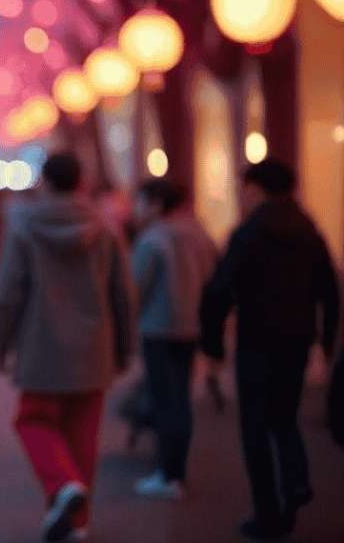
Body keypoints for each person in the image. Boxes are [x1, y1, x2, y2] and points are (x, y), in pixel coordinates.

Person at [0, 152, 134, 543]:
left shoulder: (23, 226)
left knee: (32, 420)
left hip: (41, 346)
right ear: (80, 182)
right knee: (82, 436)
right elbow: (122, 293)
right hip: (94, 348)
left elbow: (8, 293)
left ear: (46, 182)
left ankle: (63, 485)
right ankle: (78, 521)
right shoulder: (105, 228)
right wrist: (125, 347)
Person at [199, 160, 339, 540]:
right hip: (297, 338)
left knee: (255, 428)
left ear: (257, 189)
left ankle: (267, 515)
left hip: (256, 341)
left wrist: (211, 341)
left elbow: (219, 289)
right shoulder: (310, 230)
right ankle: (295, 480)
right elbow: (329, 288)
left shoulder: (249, 232)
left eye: (245, 188)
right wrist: (326, 342)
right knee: (284, 416)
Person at [128, 179, 217, 500]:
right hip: (191, 328)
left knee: (165, 400)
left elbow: (135, 289)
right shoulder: (199, 235)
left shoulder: (152, 239)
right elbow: (212, 279)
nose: (137, 208)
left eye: (140, 201)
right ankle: (175, 469)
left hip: (158, 329)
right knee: (180, 399)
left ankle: (169, 474)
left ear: (154, 203)